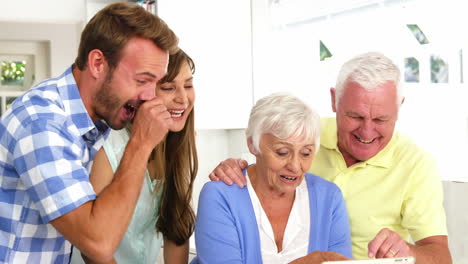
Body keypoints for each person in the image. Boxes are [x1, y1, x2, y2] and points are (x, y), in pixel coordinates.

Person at [209, 52, 452, 263]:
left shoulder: (417, 165)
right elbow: (262, 165)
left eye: (380, 119)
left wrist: (407, 251)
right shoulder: (306, 134)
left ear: (399, 107)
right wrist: (234, 167)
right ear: (334, 100)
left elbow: (441, 257)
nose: (367, 131)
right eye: (355, 116)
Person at [0, 2, 178, 263]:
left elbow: (91, 236)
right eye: (142, 80)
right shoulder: (43, 124)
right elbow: (98, 242)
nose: (151, 96)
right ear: (97, 64)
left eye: (156, 82)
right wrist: (141, 143)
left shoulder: (91, 124)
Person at [192, 93, 352, 264]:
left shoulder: (329, 198)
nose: (295, 166)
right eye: (282, 152)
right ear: (252, 144)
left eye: (306, 153)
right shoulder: (220, 196)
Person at [71, 49, 197, 264]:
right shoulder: (109, 145)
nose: (183, 99)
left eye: (188, 85)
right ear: (142, 92)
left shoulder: (178, 146)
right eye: (168, 88)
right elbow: (93, 250)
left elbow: (176, 232)